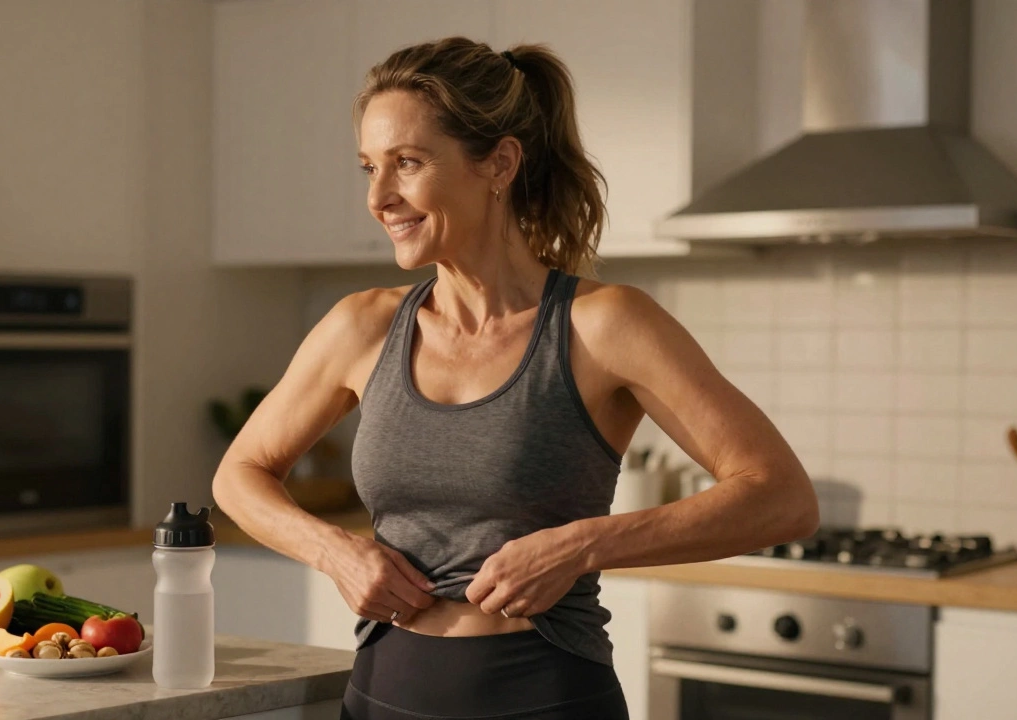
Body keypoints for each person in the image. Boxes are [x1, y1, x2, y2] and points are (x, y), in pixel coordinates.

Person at [211, 37, 819, 720]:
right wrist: (337, 553)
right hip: (381, 695)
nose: (380, 197)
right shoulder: (364, 326)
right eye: (369, 168)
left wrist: (584, 544)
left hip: (544, 698)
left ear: (498, 162)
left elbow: (781, 497)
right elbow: (240, 473)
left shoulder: (604, 325)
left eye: (407, 163)